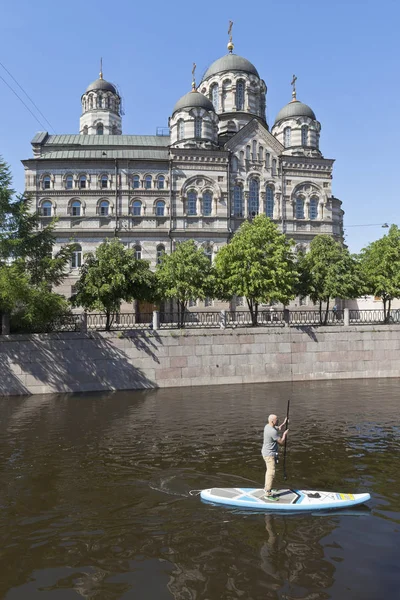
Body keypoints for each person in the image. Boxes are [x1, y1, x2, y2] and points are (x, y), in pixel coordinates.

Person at [261, 414, 289, 501]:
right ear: (273, 421)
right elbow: (281, 442)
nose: (278, 421)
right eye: (277, 420)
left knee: (269, 471)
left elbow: (277, 428)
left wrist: (284, 423)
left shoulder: (268, 426)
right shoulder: (272, 432)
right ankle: (267, 493)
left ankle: (267, 487)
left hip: (266, 452)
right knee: (271, 472)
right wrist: (284, 434)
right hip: (269, 455)